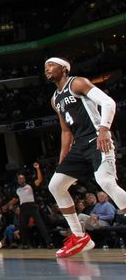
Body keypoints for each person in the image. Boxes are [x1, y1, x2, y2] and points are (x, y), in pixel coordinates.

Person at [43, 57, 126, 258]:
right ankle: (80, 237)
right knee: (56, 185)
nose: (47, 69)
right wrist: (63, 158)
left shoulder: (77, 82)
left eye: (51, 65)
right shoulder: (55, 99)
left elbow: (108, 102)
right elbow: (65, 131)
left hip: (97, 138)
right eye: (45, 67)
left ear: (64, 69)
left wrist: (105, 129)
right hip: (79, 146)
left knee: (105, 181)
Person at [3, 162, 51, 248]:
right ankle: (25, 244)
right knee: (22, 227)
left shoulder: (30, 185)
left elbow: (39, 180)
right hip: (23, 208)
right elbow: (14, 200)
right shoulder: (17, 190)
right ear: (18, 180)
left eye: (22, 178)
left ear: (24, 179)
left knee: (41, 225)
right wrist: (6, 206)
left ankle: (49, 243)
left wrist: (37, 168)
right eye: (19, 178)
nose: (21, 179)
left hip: (32, 206)